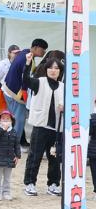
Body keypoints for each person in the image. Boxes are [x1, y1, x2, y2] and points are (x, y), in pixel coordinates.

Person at [22, 55, 65, 197]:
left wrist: (63, 108)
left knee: (55, 157)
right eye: (51, 67)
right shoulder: (39, 82)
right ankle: (30, 183)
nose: (53, 70)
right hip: (41, 126)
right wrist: (28, 63)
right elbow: (25, 80)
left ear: (60, 71)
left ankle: (53, 184)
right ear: (46, 69)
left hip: (57, 128)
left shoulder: (64, 87)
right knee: (35, 155)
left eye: (56, 68)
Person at [2, 38, 49, 147]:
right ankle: (14, 145)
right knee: (19, 120)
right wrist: (24, 93)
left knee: (12, 119)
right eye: (43, 50)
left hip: (8, 89)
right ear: (36, 48)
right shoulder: (26, 58)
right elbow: (24, 77)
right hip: (15, 93)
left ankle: (9, 142)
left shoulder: (24, 53)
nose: (44, 52)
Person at [0, 110, 21, 201]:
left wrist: (17, 156)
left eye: (8, 119)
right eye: (3, 119)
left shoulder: (14, 132)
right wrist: (2, 129)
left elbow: (17, 145)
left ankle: (6, 192)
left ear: (12, 121)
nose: (6, 121)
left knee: (7, 178)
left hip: (9, 159)